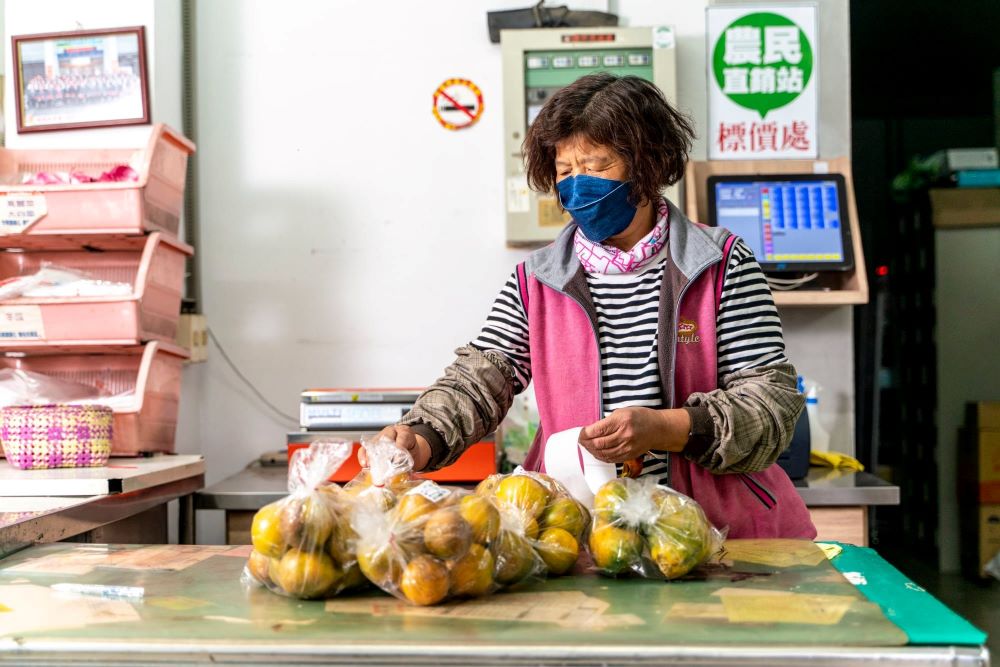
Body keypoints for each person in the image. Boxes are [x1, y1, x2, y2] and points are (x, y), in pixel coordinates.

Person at [368, 73, 815, 538]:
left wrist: (669, 428)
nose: (577, 185)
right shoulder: (537, 281)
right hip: (580, 536)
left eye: (597, 165)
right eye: (565, 171)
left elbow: (770, 407)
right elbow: (477, 382)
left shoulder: (719, 263)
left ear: (649, 165)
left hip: (717, 536)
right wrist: (418, 438)